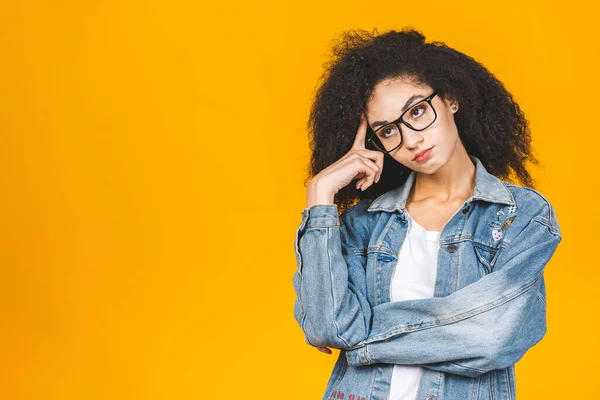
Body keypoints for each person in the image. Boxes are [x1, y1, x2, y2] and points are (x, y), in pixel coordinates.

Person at [292, 27, 563, 400]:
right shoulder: (365, 223)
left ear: (450, 99)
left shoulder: (519, 217)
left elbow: (491, 335)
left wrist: (365, 341)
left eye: (417, 111)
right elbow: (328, 328)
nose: (412, 139)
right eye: (388, 131)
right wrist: (320, 196)